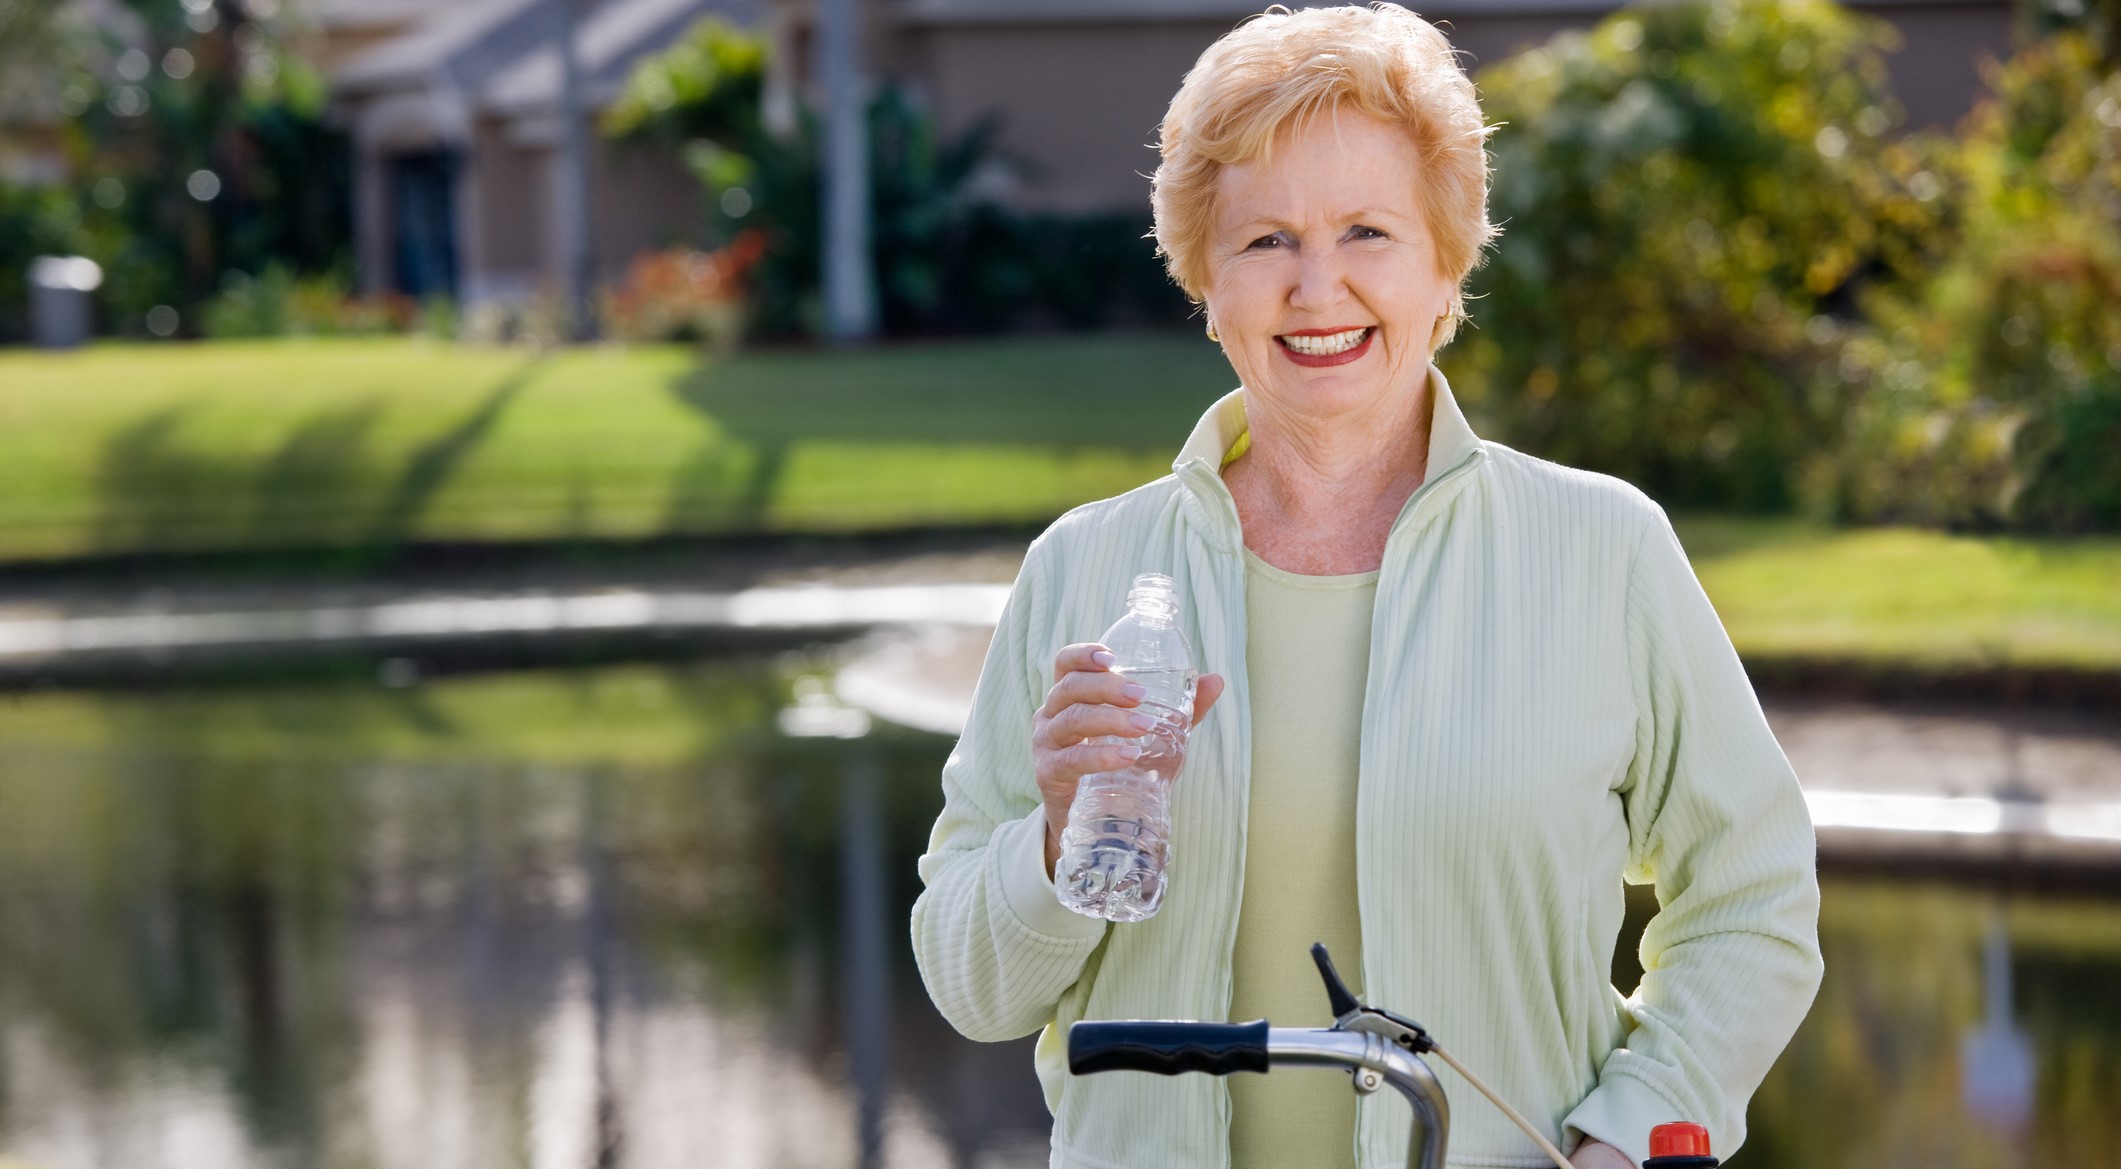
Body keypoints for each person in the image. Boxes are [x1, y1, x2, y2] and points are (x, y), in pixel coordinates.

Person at [909, 6, 1824, 1168]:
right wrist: (1049, 841)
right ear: (1207, 281)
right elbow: (967, 983)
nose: (1317, 285)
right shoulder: (1085, 569)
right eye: (1266, 241)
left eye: (1368, 232)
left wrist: (1628, 1135)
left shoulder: (1602, 550)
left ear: (1448, 265)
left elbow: (1753, 899)